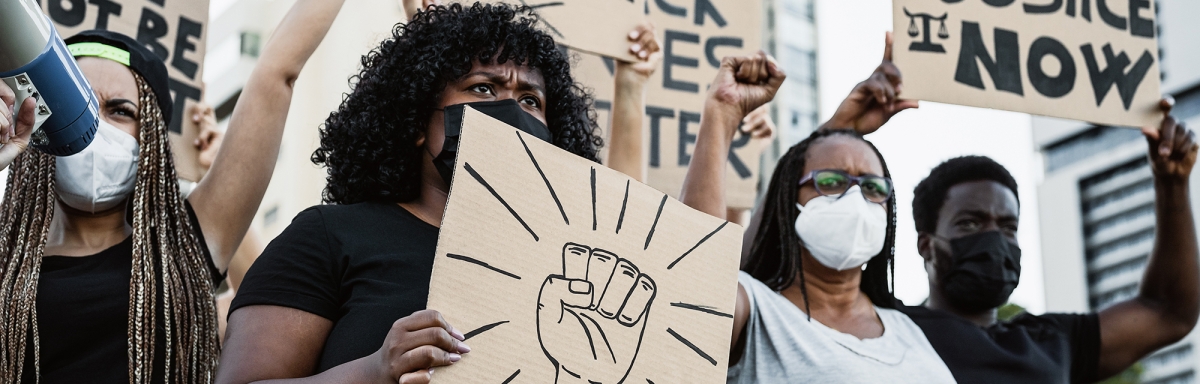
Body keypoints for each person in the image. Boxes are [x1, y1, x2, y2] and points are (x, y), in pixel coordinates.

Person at [216, 3, 662, 383]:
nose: (511, 110)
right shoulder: (331, 237)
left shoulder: (572, 274)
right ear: (414, 122)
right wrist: (375, 370)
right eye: (482, 88)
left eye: (531, 99)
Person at [823, 34, 1200, 383]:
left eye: (1007, 227)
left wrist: (1172, 183)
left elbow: (1169, 310)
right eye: (971, 223)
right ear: (925, 244)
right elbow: (774, 279)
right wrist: (839, 132)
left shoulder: (1052, 342)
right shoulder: (880, 328)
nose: (993, 239)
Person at [0, 0, 336, 379]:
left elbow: (279, 72)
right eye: (79, 106)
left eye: (121, 112)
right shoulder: (4, 259)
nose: (95, 127)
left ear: (153, 145)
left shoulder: (184, 245)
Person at [678, 43, 955, 383]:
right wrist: (721, 115)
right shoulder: (756, 310)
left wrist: (838, 132)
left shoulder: (905, 330)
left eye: (872, 188)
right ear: (787, 204)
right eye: (831, 182)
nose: (855, 198)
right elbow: (694, 281)